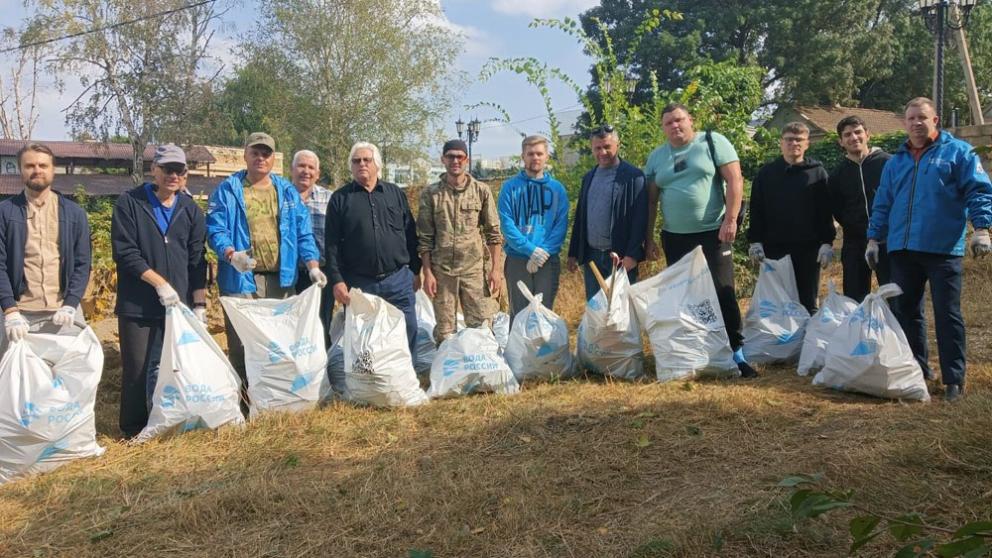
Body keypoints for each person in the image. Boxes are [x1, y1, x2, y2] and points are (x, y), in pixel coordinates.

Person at [867, 97, 992, 401]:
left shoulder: (958, 153)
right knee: (907, 312)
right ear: (904, 123)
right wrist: (874, 237)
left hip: (942, 249)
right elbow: (883, 201)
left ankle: (954, 379)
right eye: (910, 119)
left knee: (947, 313)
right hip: (903, 249)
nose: (916, 123)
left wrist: (982, 229)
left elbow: (978, 190)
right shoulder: (896, 161)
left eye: (922, 118)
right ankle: (917, 370)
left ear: (935, 120)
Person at [206, 132, 324, 401]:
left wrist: (313, 265)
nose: (261, 158)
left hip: (280, 281)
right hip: (240, 280)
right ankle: (245, 401)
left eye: (266, 153)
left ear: (273, 159)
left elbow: (303, 232)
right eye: (255, 152)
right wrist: (230, 253)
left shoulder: (286, 192)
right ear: (245, 155)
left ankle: (276, 398)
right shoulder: (228, 190)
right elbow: (215, 228)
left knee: (279, 342)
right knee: (242, 343)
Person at [643, 103, 757, 378]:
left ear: (690, 120)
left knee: (722, 291)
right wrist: (647, 238)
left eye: (679, 119)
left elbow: (735, 181)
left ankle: (736, 352)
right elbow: (650, 202)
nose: (675, 126)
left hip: (713, 233)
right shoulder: (657, 158)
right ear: (663, 127)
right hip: (675, 238)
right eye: (668, 122)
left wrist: (730, 219)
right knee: (686, 295)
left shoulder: (712, 142)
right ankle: (698, 350)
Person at [111, 144, 208, 438]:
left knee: (172, 367)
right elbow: (125, 252)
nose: (173, 175)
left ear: (186, 175)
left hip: (176, 307)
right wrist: (159, 283)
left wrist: (200, 305)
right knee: (138, 369)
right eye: (167, 169)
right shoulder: (130, 203)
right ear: (154, 169)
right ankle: (133, 431)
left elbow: (197, 259)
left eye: (179, 170)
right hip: (138, 305)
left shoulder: (190, 209)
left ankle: (167, 422)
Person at [325, 141, 422, 356]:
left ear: (377, 164)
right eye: (356, 161)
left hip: (397, 280)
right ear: (350, 166)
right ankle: (370, 385)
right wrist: (337, 280)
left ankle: (407, 381)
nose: (362, 164)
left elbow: (409, 233)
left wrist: (416, 270)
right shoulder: (340, 199)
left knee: (408, 329)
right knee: (364, 338)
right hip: (359, 283)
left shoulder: (395, 194)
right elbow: (331, 244)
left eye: (366, 160)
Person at [0, 143, 91, 359]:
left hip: (62, 313)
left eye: (43, 165)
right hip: (19, 313)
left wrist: (71, 304)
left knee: (66, 377)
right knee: (13, 380)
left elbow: (82, 263)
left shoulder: (74, 213)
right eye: (29, 165)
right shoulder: (5, 213)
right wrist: (10, 310)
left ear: (53, 170)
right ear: (21, 170)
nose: (37, 170)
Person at [417, 139, 503, 343]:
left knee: (481, 327)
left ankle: (480, 372)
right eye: (450, 156)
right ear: (443, 159)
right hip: (442, 272)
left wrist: (496, 269)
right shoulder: (431, 194)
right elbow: (424, 238)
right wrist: (427, 273)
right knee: (446, 333)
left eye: (459, 156)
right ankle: (450, 374)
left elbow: (493, 233)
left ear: (467, 160)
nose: (455, 160)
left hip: (473, 271)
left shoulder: (481, 191)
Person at [747, 122, 835, 314]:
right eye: (788, 139)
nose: (793, 143)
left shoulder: (817, 173)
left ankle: (806, 342)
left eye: (799, 140)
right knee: (777, 303)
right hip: (774, 249)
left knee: (807, 302)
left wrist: (827, 242)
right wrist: (755, 241)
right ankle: (781, 343)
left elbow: (825, 211)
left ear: (807, 144)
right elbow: (757, 209)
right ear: (781, 143)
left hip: (808, 250)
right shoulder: (766, 174)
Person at [567, 125, 647, 300]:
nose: (602, 152)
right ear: (592, 149)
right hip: (592, 258)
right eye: (597, 148)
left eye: (607, 147)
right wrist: (573, 253)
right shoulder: (588, 177)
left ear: (617, 145)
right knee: (597, 312)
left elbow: (640, 220)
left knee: (622, 312)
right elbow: (581, 217)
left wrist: (632, 255)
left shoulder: (634, 177)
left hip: (620, 259)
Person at [497, 135, 569, 319]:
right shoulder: (510, 188)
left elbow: (560, 225)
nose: (535, 157)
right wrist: (530, 250)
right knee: (520, 313)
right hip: (517, 260)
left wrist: (542, 253)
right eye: (530, 154)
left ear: (547, 156)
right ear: (523, 156)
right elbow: (507, 224)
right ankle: (518, 349)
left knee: (544, 313)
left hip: (547, 260)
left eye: (539, 153)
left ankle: (544, 348)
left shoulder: (557, 189)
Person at [828, 116, 893, 302]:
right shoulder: (837, 175)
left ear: (868, 135)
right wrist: (853, 224)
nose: (854, 137)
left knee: (896, 297)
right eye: (847, 134)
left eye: (858, 132)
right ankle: (860, 332)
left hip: (888, 240)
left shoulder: (889, 163)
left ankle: (897, 331)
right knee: (854, 300)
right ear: (841, 141)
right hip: (854, 243)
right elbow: (837, 208)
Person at [290, 149, 334, 346]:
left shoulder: (330, 199)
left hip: (321, 275)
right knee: (293, 324)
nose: (305, 171)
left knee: (321, 322)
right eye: (301, 166)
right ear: (292, 170)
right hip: (290, 275)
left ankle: (321, 371)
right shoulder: (282, 198)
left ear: (317, 172)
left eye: (310, 167)